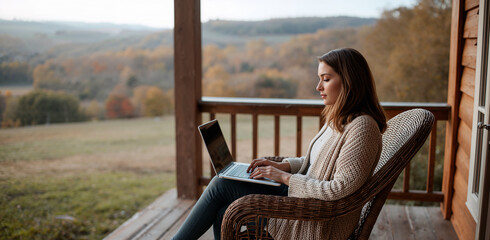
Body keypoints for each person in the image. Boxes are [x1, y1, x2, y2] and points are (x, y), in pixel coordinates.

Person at [172, 48, 387, 240]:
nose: (318, 86)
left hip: (313, 220)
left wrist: (284, 177)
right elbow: (315, 163)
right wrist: (283, 166)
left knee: (221, 184)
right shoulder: (340, 119)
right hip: (302, 198)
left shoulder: (362, 127)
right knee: (223, 212)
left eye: (326, 79)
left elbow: (339, 188)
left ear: (350, 81)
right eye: (319, 78)